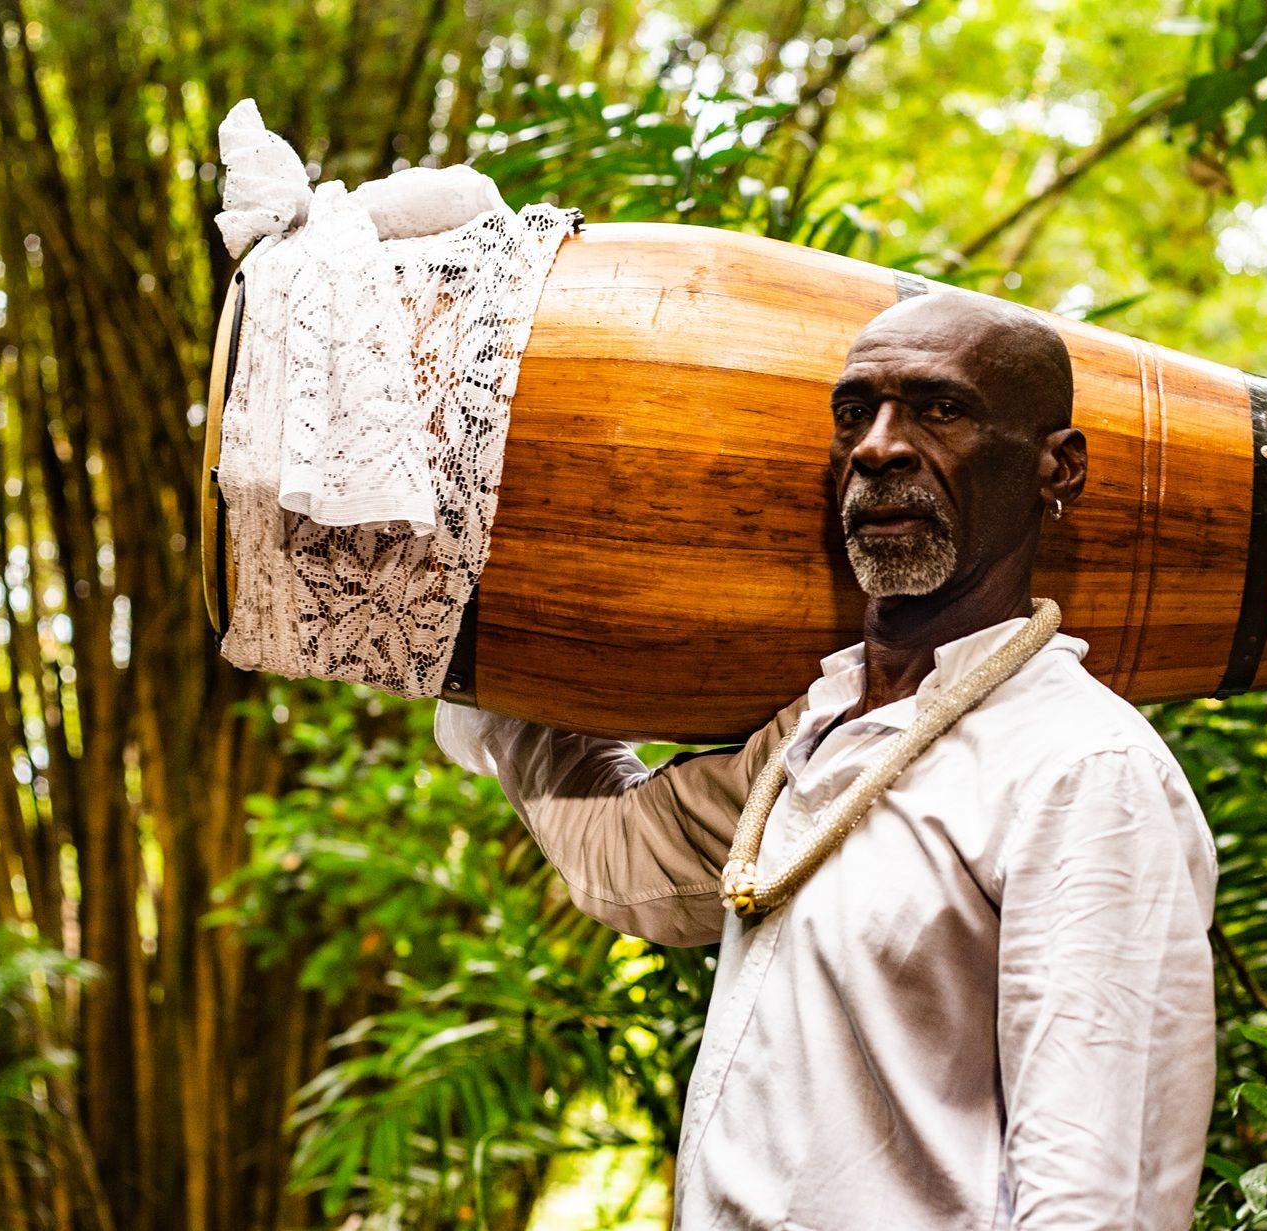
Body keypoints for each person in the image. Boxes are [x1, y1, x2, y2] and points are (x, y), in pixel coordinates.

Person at [436, 292, 1217, 1229]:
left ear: (1059, 467)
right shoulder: (814, 734)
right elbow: (620, 856)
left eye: (940, 409)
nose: (879, 447)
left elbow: (1094, 1203)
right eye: (854, 413)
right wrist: (461, 618)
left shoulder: (1084, 769)